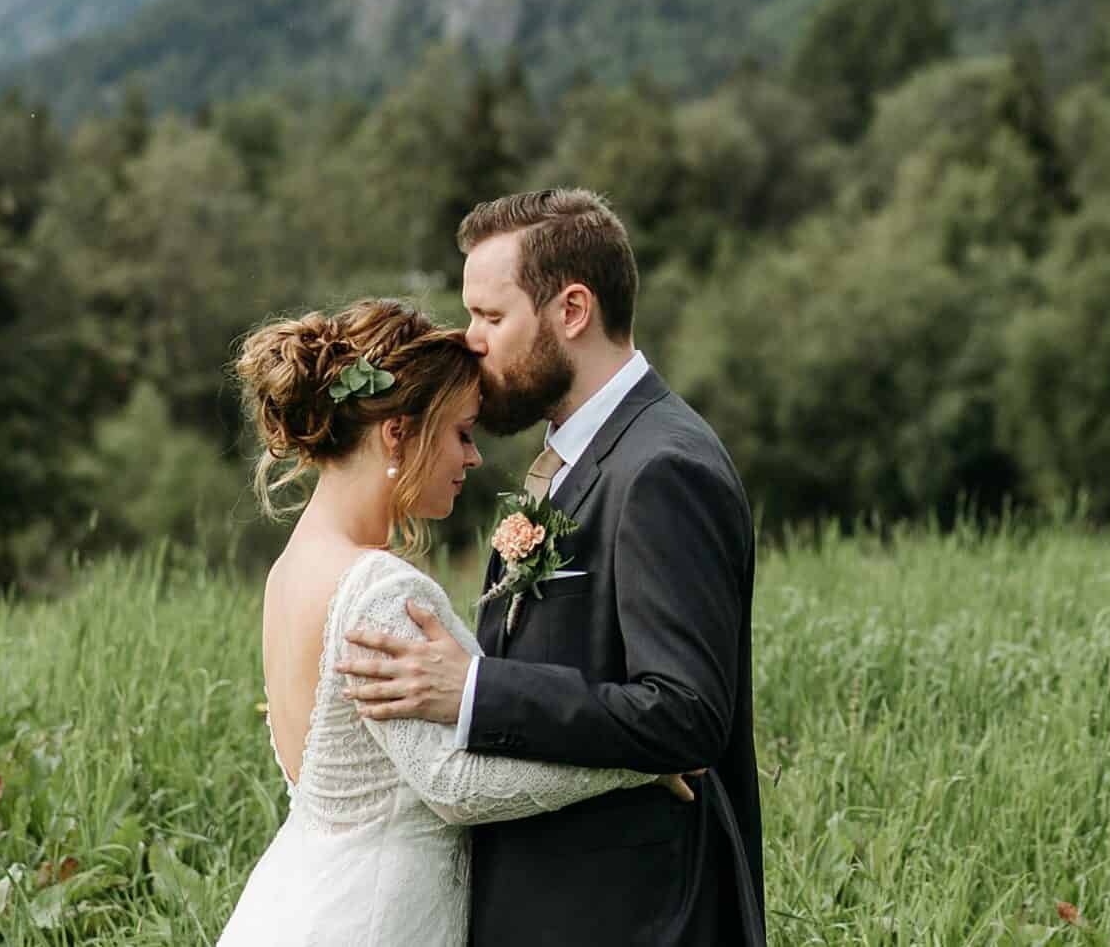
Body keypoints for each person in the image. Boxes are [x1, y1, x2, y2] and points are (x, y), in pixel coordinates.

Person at [338, 189, 766, 946]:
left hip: (638, 915)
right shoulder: (581, 456)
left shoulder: (663, 466)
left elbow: (686, 712)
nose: (469, 341)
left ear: (572, 310)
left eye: (491, 317)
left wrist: (474, 689)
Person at [214, 297, 690, 947]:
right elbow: (453, 783)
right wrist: (636, 759)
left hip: (295, 899)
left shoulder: (290, 572)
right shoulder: (378, 587)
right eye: (462, 432)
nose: (470, 458)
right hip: (373, 919)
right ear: (397, 434)